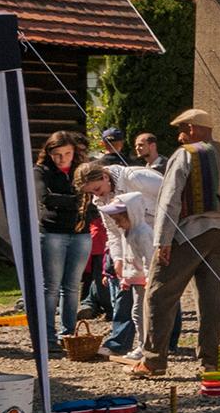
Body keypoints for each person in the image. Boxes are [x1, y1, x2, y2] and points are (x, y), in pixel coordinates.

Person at [136, 110, 220, 378]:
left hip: (190, 232)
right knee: (210, 296)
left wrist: (162, 240)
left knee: (160, 293)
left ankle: (153, 361)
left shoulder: (187, 154)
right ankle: (210, 361)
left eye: (182, 130)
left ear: (191, 127)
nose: (179, 136)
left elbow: (170, 198)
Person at [76, 160, 161, 362]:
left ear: (105, 176)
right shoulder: (101, 200)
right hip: (134, 248)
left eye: (97, 189)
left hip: (159, 237)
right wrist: (118, 259)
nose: (96, 195)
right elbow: (113, 233)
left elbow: (172, 193)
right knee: (136, 305)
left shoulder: (135, 177)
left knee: (158, 298)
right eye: (91, 193)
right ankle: (139, 343)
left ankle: (161, 343)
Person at [34, 131, 92, 351]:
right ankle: (48, 337)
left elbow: (92, 198)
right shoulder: (42, 170)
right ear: (49, 153)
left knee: (72, 287)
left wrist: (83, 208)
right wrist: (77, 201)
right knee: (51, 286)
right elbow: (46, 199)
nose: (62, 159)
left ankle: (68, 334)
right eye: (57, 154)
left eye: (67, 153)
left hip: (80, 232)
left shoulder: (81, 169)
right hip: (53, 232)